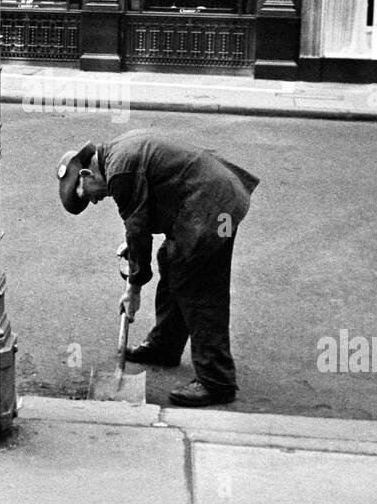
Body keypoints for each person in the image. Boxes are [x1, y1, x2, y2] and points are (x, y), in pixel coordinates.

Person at [56, 129, 259, 407]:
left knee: (198, 285)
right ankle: (165, 345)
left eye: (85, 196)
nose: (93, 201)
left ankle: (217, 381)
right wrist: (134, 244)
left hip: (215, 207)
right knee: (171, 259)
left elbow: (138, 230)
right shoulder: (116, 156)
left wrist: (133, 291)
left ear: (86, 176)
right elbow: (146, 212)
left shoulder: (119, 172)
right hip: (215, 200)